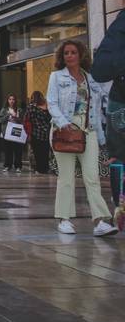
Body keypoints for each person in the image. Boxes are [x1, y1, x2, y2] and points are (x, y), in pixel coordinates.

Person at [47, 39, 116, 237]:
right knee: (66, 178)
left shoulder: (90, 78)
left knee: (92, 177)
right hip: (65, 130)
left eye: (73, 52)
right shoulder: (56, 77)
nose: (69, 56)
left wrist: (104, 140)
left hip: (89, 130)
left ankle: (100, 220)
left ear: (81, 55)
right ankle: (65, 219)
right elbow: (51, 102)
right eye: (66, 53)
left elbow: (98, 107)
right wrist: (62, 122)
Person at [91, 10, 125, 209]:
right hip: (120, 104)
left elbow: (101, 69)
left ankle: (120, 204)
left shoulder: (120, 23)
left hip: (118, 100)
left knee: (119, 157)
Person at [0, 94, 25, 174]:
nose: (11, 101)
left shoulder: (19, 110)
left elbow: (23, 120)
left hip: (17, 131)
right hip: (7, 132)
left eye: (13, 99)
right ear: (7, 100)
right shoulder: (4, 109)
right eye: (10, 99)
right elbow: (0, 120)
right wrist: (8, 115)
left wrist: (16, 117)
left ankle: (18, 166)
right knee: (8, 150)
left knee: (18, 150)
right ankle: (7, 165)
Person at [27, 91, 52, 175]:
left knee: (38, 153)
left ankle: (39, 169)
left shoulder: (31, 107)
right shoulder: (48, 107)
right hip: (47, 133)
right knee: (45, 152)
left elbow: (27, 119)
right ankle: (45, 168)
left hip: (36, 133)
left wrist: (28, 133)